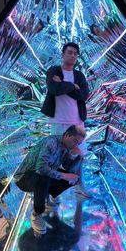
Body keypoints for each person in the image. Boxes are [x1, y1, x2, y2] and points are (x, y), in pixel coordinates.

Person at [14, 125, 86, 236]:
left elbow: (69, 169)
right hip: (24, 178)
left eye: (79, 143)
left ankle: (48, 195)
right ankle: (37, 213)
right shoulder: (51, 143)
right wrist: (64, 176)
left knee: (74, 178)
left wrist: (78, 157)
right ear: (67, 135)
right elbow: (41, 168)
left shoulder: (67, 147)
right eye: (75, 141)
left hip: (42, 176)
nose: (76, 145)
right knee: (44, 178)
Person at [41, 42, 90, 197]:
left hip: (76, 121)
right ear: (63, 55)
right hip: (58, 120)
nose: (73, 55)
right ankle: (50, 191)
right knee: (53, 156)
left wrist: (63, 85)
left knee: (78, 154)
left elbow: (83, 95)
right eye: (69, 52)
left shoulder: (80, 75)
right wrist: (72, 86)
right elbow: (54, 90)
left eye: (76, 53)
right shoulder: (53, 71)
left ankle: (79, 184)